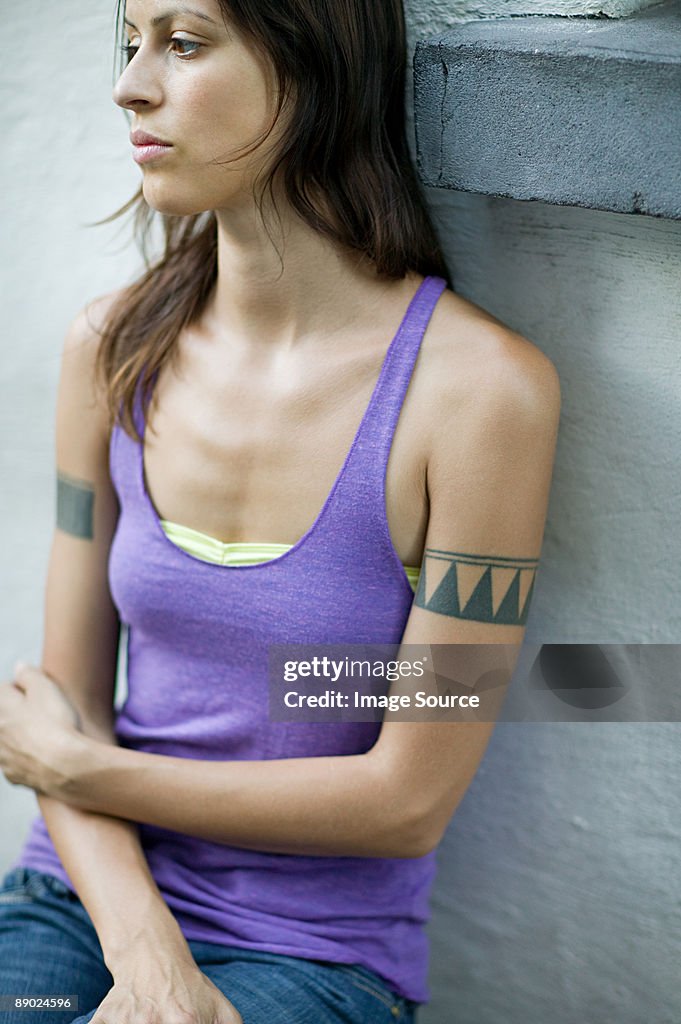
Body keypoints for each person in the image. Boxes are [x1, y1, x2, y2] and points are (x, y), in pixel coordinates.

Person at [0, 1, 561, 1022]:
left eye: (183, 42)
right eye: (131, 43)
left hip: (309, 949)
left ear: (314, 68)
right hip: (83, 898)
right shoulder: (112, 348)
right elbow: (61, 708)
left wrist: (85, 766)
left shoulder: (482, 396)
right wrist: (148, 957)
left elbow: (406, 802)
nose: (130, 85)